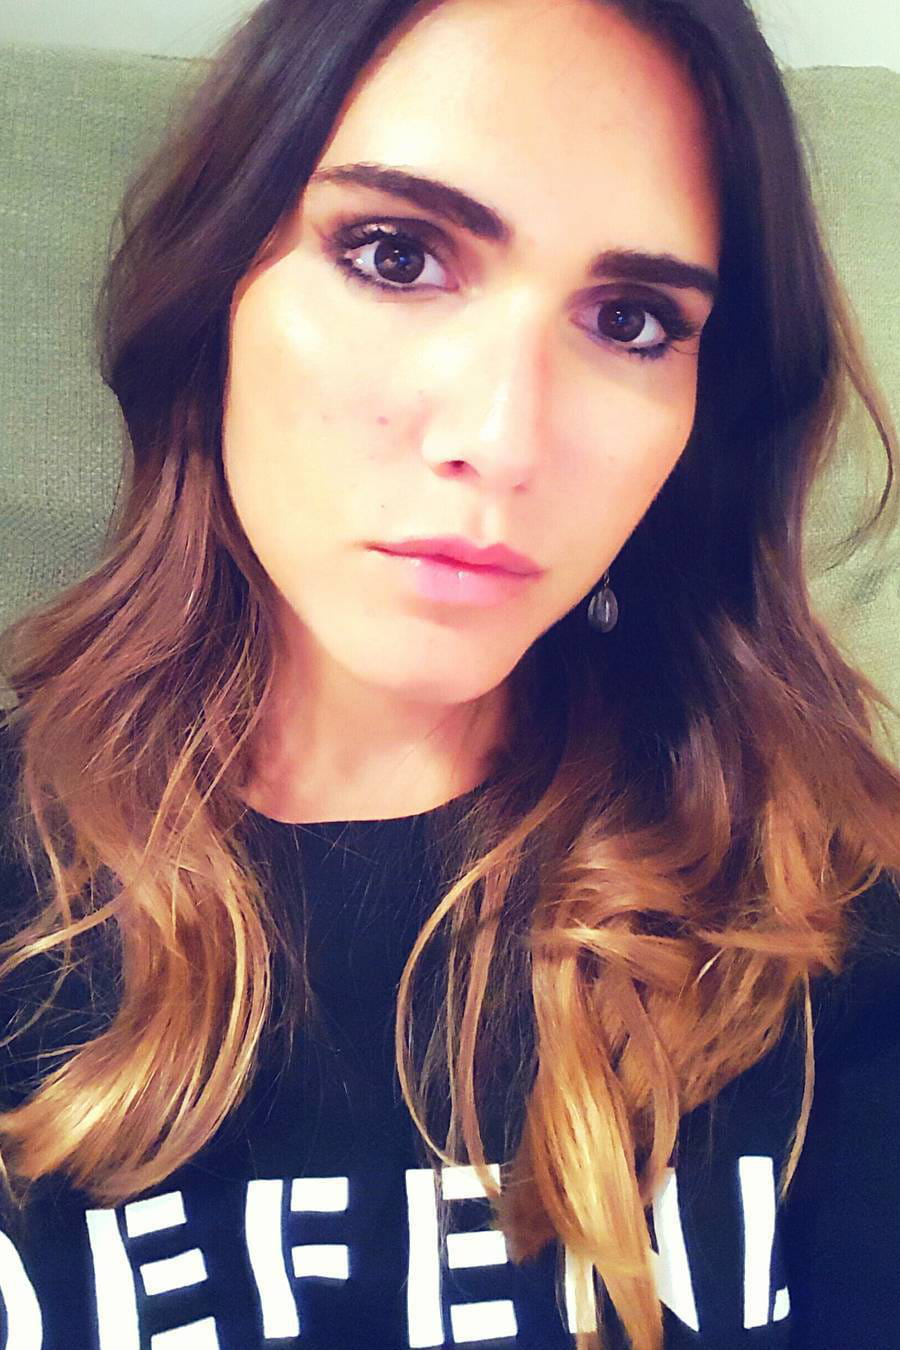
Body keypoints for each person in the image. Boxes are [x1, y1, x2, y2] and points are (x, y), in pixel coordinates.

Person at [0, 0, 899, 1346]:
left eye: (633, 321)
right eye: (395, 253)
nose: (503, 438)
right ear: (214, 292)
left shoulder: (828, 920)